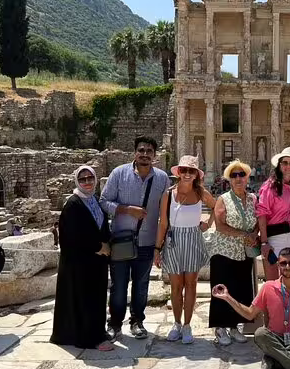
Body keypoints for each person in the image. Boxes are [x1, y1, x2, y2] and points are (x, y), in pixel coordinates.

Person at [100, 136, 170, 340]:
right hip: (121, 241)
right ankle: (114, 324)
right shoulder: (119, 173)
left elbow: (165, 214)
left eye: (149, 151)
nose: (145, 154)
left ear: (155, 156)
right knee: (119, 286)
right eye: (141, 150)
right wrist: (126, 209)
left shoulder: (162, 178)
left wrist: (160, 246)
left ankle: (137, 321)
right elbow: (104, 201)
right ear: (135, 152)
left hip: (147, 243)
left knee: (141, 286)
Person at [51, 166, 113, 351]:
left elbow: (100, 226)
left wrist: (106, 244)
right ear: (77, 181)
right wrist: (98, 247)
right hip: (80, 263)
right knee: (84, 300)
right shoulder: (73, 204)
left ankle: (97, 332)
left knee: (97, 298)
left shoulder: (92, 201)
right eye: (83, 179)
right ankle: (89, 339)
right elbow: (71, 236)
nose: (87, 182)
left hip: (96, 262)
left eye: (90, 178)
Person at [154, 155, 215, 344]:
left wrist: (208, 223)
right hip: (173, 240)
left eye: (191, 171)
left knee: (191, 284)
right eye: (184, 170)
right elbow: (163, 223)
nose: (187, 174)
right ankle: (177, 323)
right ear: (178, 173)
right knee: (176, 285)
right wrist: (157, 248)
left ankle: (187, 325)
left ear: (196, 174)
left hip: (193, 239)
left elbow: (217, 207)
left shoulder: (201, 193)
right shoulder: (168, 194)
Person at [208, 160, 259, 346]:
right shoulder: (223, 199)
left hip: (243, 252)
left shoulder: (253, 198)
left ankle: (234, 326)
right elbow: (220, 226)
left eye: (241, 175)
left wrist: (255, 235)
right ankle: (220, 328)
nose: (238, 178)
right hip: (224, 251)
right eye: (234, 175)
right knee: (222, 289)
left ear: (247, 177)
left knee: (240, 290)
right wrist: (244, 234)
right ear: (229, 179)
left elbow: (257, 222)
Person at [257, 147, 290, 281]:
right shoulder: (269, 186)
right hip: (274, 237)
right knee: (273, 281)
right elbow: (262, 213)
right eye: (285, 162)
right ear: (279, 165)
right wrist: (264, 242)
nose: (288, 166)